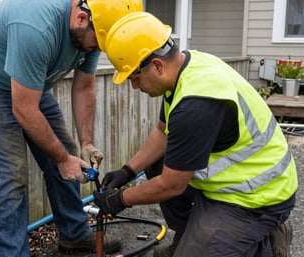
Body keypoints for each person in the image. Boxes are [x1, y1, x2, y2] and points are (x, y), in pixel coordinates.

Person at [93, 12, 298, 257]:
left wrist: (120, 199)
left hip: (256, 198)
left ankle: (264, 244)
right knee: (157, 163)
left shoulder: (196, 103)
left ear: (157, 65)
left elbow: (172, 185)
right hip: (231, 185)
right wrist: (127, 171)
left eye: (135, 77)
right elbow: (163, 133)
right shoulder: (186, 67)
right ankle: (191, 236)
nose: (134, 86)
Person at [0, 0, 143, 256]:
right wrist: (61, 159)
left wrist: (86, 143)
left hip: (31, 82)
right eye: (97, 44)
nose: (96, 50)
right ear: (81, 19)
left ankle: (74, 235)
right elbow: (24, 109)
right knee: (10, 175)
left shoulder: (96, 24)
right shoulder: (35, 23)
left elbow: (84, 86)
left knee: (68, 154)